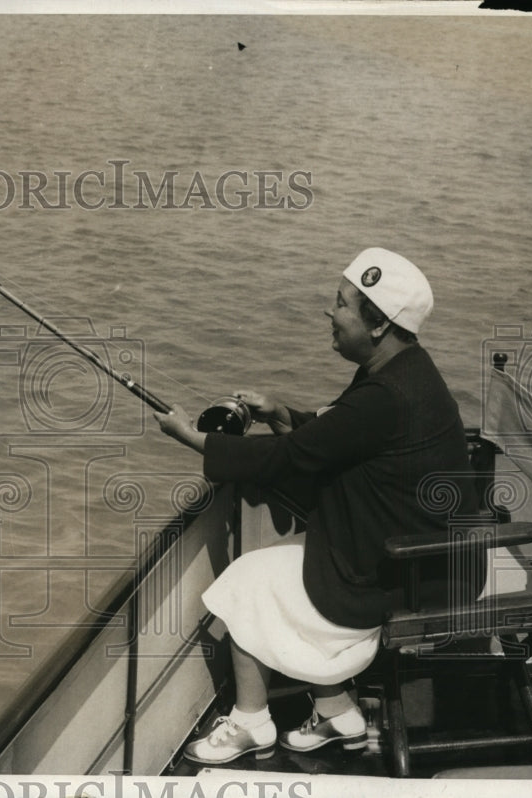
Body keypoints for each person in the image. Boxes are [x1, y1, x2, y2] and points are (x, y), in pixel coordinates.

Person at [155, 247, 480, 765]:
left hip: (405, 573)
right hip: (423, 558)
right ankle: (336, 711)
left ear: (376, 326)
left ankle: (250, 723)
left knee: (246, 582)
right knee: (282, 573)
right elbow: (340, 436)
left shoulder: (385, 394)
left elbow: (294, 455)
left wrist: (193, 439)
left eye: (342, 305)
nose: (331, 313)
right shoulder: (406, 371)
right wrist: (282, 411)